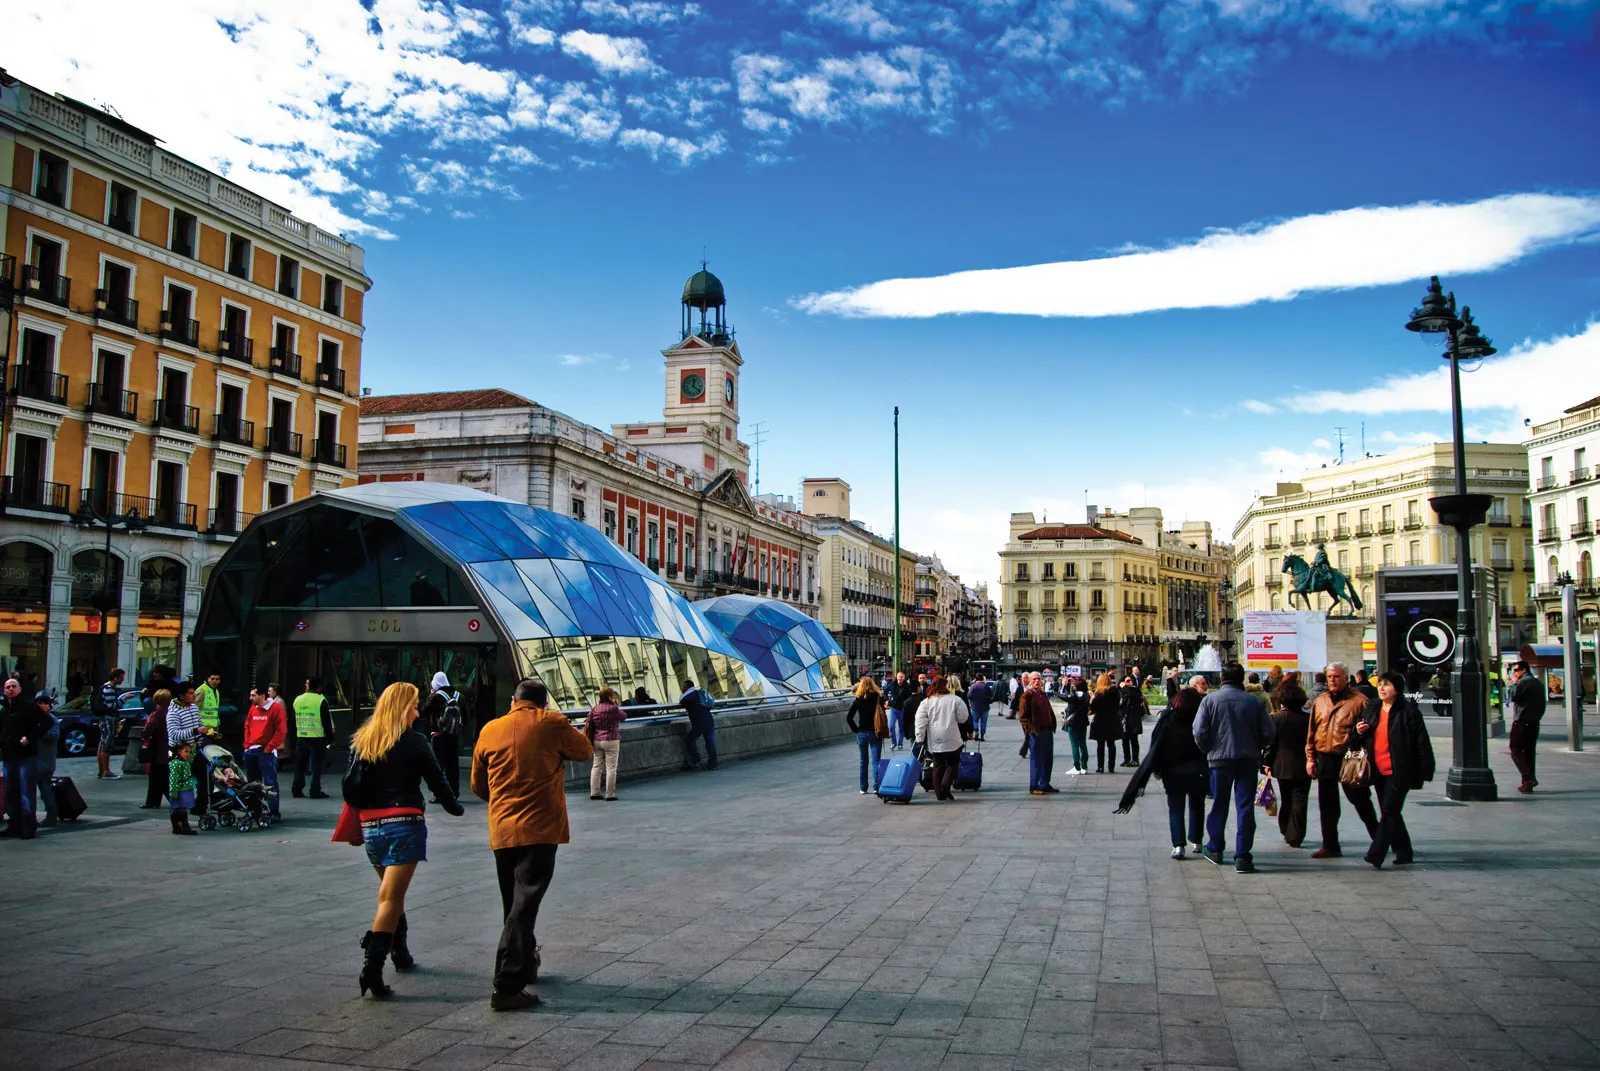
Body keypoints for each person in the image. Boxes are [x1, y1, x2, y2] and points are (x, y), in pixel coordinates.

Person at [472, 679, 593, 1011]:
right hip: (539, 829)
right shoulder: (550, 722)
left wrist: (501, 803)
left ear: (513, 701)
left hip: (502, 830)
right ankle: (506, 985)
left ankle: (525, 963)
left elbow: (477, 784)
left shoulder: (489, 730)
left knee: (514, 903)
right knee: (524, 905)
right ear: (541, 703)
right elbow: (584, 751)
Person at [343, 681, 464, 999]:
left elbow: (351, 786)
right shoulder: (415, 741)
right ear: (402, 708)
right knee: (390, 899)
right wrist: (455, 807)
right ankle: (372, 969)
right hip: (404, 824)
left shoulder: (364, 740)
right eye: (413, 705)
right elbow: (437, 780)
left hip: (371, 826)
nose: (417, 710)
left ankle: (401, 952)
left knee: (391, 893)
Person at [1194, 663, 1276, 873]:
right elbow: (1268, 732)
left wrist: (1209, 750)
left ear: (1221, 678)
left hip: (1219, 760)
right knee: (1245, 806)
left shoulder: (1210, 700)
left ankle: (1215, 847)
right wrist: (1256, 745)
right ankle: (1243, 856)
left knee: (1218, 804)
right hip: (1248, 759)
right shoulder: (1254, 702)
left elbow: (1199, 731)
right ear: (1242, 680)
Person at [1116, 686, 1209, 859]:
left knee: (1175, 807)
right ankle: (1197, 842)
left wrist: (1157, 767)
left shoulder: (1167, 719)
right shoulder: (1202, 718)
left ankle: (1178, 846)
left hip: (1173, 771)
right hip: (1198, 770)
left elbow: (1156, 744)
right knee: (1197, 805)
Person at [1353, 671, 1435, 868]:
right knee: (1391, 811)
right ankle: (1404, 851)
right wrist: (1358, 731)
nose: (1381, 688)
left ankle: (1376, 853)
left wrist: (1425, 769)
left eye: (1387, 684)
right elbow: (1359, 737)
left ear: (1397, 689)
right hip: (1377, 769)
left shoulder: (1409, 712)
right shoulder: (1373, 707)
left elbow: (1422, 742)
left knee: (1389, 810)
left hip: (1400, 770)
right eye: (1380, 684)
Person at [1305, 662, 1379, 859]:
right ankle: (1330, 844)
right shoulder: (1320, 701)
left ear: (1346, 678)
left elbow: (1369, 732)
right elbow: (1312, 731)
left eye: (1336, 677)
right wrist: (1310, 758)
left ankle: (1380, 838)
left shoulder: (1359, 701)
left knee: (1361, 800)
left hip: (1349, 757)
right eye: (1329, 677)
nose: (1332, 680)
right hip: (1325, 756)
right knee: (1327, 803)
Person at [1264, 680, 1313, 848]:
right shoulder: (1308, 719)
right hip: (1305, 764)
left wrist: (1266, 762)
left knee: (1286, 797)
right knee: (1300, 799)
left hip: (1282, 764)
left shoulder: (1276, 718)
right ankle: (1296, 833)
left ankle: (1286, 828)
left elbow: (1271, 743)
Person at [1, 681, 49, 839]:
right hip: (9, 755)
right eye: (7, 687)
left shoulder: (28, 706)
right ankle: (14, 824)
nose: (10, 689)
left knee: (26, 791)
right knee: (10, 792)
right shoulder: (4, 708)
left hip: (26, 755)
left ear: (20, 689)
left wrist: (30, 738)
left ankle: (29, 826)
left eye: (14, 686)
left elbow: (46, 723)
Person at [914, 675, 971, 800]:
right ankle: (946, 785)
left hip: (935, 738)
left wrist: (920, 737)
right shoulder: (955, 700)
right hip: (953, 737)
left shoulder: (926, 702)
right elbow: (963, 718)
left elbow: (920, 721)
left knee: (938, 765)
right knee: (953, 763)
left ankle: (939, 793)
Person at [242, 686, 286, 819]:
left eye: (253, 695)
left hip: (266, 751)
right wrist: (247, 745)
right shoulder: (253, 709)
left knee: (269, 783)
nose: (251, 698)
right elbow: (247, 726)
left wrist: (269, 747)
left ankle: (273, 812)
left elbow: (281, 731)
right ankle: (255, 810)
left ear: (262, 695)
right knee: (253, 783)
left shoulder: (276, 709)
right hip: (252, 749)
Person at [166, 681, 207, 816]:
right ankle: (179, 814)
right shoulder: (173, 712)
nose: (194, 695)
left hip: (196, 750)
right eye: (190, 693)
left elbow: (199, 725)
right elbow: (174, 734)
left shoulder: (194, 708)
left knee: (204, 778)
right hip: (180, 753)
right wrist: (195, 731)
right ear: (181, 696)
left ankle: (201, 807)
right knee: (182, 783)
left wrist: (203, 733)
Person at [1507, 660, 1546, 794]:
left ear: (1523, 670)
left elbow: (1513, 696)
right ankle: (1527, 782)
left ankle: (1529, 778)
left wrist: (1514, 682)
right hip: (1534, 721)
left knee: (1515, 749)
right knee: (1529, 752)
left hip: (1522, 720)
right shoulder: (1538, 683)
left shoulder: (1524, 682)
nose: (1514, 673)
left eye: (1516, 670)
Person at [292, 677, 335, 798]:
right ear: (319, 687)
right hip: (317, 738)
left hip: (301, 736)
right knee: (316, 767)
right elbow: (326, 722)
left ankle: (297, 789)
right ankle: (315, 790)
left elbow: (293, 719)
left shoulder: (298, 699)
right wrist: (330, 739)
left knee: (300, 765)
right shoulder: (321, 700)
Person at [423, 672, 463, 797]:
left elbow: (424, 710)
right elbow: (467, 715)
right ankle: (454, 792)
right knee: (453, 766)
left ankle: (440, 794)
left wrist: (430, 696)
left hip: (438, 736)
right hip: (454, 737)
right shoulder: (458, 696)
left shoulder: (437, 697)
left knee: (438, 767)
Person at [846, 676, 887, 794]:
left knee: (863, 761)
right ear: (873, 685)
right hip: (875, 732)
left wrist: (856, 730)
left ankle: (863, 787)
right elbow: (882, 715)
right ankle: (876, 787)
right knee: (876, 761)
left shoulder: (858, 700)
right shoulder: (878, 699)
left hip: (862, 733)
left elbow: (849, 718)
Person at [1018, 671, 1058, 795]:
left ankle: (1044, 783)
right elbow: (1023, 716)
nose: (1037, 681)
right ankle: (1034, 785)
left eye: (1039, 679)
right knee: (1037, 759)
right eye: (1034, 679)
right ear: (1030, 681)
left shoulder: (1042, 694)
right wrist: (1030, 729)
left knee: (1048, 758)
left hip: (1047, 730)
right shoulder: (1027, 695)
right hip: (1036, 731)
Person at [585, 687, 626, 801]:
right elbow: (624, 717)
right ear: (609, 697)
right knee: (611, 768)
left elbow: (589, 721)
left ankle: (594, 792)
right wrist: (614, 703)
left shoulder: (595, 709)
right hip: (611, 740)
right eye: (612, 695)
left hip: (597, 740)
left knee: (596, 766)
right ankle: (609, 794)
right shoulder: (613, 709)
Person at [93, 668, 126, 780]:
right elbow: (111, 705)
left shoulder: (105, 687)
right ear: (115, 677)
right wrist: (124, 699)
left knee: (102, 744)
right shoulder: (109, 689)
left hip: (104, 718)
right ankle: (106, 771)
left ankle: (102, 771)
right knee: (107, 743)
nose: (122, 680)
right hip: (109, 719)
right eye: (121, 677)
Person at [677, 680, 718, 770]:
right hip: (709, 719)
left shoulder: (689, 694)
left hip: (699, 721)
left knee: (689, 739)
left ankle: (695, 760)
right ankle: (713, 763)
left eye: (684, 687)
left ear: (687, 686)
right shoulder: (700, 693)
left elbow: (681, 700)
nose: (682, 688)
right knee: (709, 740)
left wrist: (684, 692)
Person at [142, 690, 171, 810]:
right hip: (168, 748)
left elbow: (148, 730)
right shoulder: (171, 712)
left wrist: (144, 735)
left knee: (157, 777)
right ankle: (153, 801)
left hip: (158, 749)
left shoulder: (157, 715)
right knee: (163, 776)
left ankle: (153, 801)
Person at [34, 691, 60, 826]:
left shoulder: (51, 720)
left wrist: (39, 731)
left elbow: (53, 735)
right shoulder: (34, 719)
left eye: (44, 703)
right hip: (34, 760)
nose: (41, 706)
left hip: (45, 761)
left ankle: (51, 815)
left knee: (45, 790)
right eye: (39, 703)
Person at [1088, 673, 1122, 773]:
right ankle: (1111, 767)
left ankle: (1100, 766)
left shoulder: (1098, 693)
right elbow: (1117, 705)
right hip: (1112, 719)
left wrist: (1091, 700)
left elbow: (1093, 708)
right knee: (1111, 744)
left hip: (1100, 720)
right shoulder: (1115, 692)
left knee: (1100, 745)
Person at [168, 739, 199, 835]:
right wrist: (173, 792)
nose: (188, 754)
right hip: (179, 790)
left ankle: (180, 827)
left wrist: (194, 748)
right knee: (178, 809)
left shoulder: (186, 762)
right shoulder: (176, 764)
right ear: (179, 752)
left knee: (183, 808)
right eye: (185, 752)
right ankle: (181, 827)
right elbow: (173, 779)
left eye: (189, 752)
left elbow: (192, 757)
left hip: (186, 789)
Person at [1063, 676, 1091, 775]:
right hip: (1083, 722)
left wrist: (1065, 686)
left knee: (1074, 745)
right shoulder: (1087, 696)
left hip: (1073, 723)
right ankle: (1084, 767)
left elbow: (1065, 698)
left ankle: (1077, 767)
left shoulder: (1074, 696)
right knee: (1083, 744)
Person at [1119, 676, 1148, 767]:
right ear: (1123, 682)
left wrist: (1125, 687)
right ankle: (1126, 759)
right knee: (1125, 740)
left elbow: (1136, 697)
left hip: (1134, 718)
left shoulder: (1135, 690)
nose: (1130, 682)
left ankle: (1135, 759)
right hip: (1125, 718)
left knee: (1134, 740)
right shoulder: (1120, 691)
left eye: (1131, 680)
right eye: (1127, 681)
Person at [886, 671, 913, 750]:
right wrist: (886, 699)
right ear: (896, 677)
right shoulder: (892, 684)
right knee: (891, 726)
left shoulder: (907, 686)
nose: (900, 678)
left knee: (901, 727)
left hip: (902, 709)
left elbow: (910, 696)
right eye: (899, 676)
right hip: (893, 708)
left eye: (902, 677)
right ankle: (893, 741)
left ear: (904, 678)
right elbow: (885, 690)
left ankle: (900, 743)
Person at [966, 675, 992, 742]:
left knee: (974, 720)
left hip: (975, 706)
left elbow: (969, 696)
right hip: (985, 707)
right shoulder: (986, 686)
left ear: (976, 679)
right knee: (983, 722)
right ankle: (982, 736)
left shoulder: (973, 686)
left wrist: (973, 701)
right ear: (982, 679)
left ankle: (976, 730)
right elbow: (991, 694)